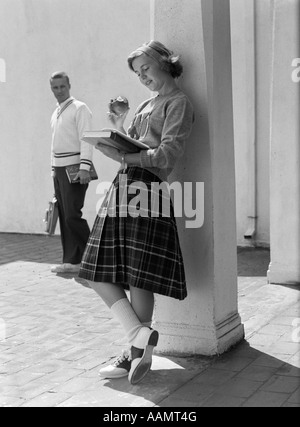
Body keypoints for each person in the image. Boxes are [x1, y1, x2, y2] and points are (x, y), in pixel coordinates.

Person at [78, 41, 194, 384]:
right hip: (125, 184)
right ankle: (139, 339)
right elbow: (132, 147)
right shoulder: (146, 104)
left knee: (135, 275)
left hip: (148, 187)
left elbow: (167, 155)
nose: (142, 76)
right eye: (137, 73)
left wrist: (127, 156)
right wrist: (117, 126)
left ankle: (134, 352)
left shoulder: (179, 102)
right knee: (103, 271)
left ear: (163, 63)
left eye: (146, 68)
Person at [50, 71, 93, 274]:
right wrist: (53, 170)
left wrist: (85, 167)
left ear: (69, 85)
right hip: (58, 169)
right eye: (55, 87)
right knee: (64, 214)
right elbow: (55, 144)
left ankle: (95, 259)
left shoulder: (79, 108)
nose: (59, 91)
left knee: (72, 215)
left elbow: (86, 139)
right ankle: (72, 260)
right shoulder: (56, 112)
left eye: (62, 86)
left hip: (75, 168)